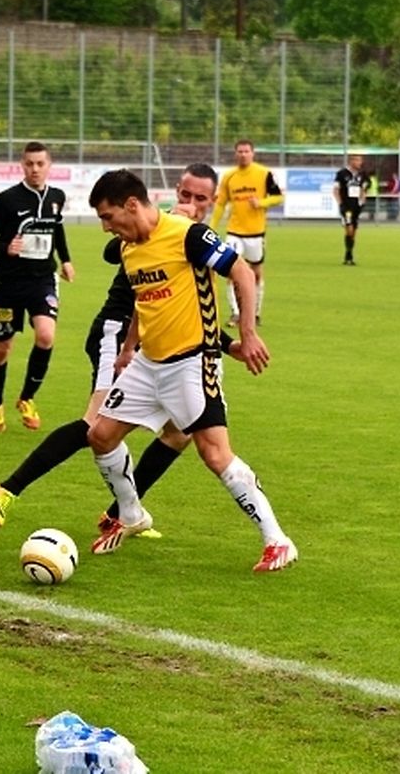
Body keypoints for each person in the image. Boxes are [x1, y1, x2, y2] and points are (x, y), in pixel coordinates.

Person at [0, 164, 245, 534]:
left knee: (179, 434)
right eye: (185, 194)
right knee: (95, 424)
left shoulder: (196, 238)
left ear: (213, 201)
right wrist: (169, 215)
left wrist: (230, 345)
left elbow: (189, 312)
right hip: (117, 331)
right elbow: (110, 252)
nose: (191, 202)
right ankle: (6, 490)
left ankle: (120, 514)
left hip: (159, 345)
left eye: (200, 198)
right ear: (175, 191)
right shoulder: (148, 224)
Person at [87, 169, 297, 572]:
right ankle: (130, 515)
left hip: (192, 362)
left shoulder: (188, 236)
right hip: (148, 363)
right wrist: (128, 349)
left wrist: (247, 334)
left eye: (108, 216)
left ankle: (278, 540)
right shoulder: (129, 249)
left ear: (131, 204)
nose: (106, 227)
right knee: (101, 435)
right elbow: (144, 302)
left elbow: (242, 272)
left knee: (214, 453)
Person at [0, 141, 74, 433]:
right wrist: (6, 247)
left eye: (40, 164)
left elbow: (57, 230)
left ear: (49, 165)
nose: (35, 169)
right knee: (2, 348)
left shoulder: (57, 197)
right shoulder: (6, 200)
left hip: (42, 280)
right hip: (8, 284)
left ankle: (27, 398)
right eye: (29, 164)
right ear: (22, 165)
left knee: (45, 336)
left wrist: (66, 260)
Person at [209, 140, 282, 327]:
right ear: (235, 154)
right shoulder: (229, 177)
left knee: (255, 273)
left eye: (246, 151)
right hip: (234, 232)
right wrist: (212, 226)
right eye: (240, 151)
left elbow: (279, 197)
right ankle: (236, 313)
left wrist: (262, 203)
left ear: (252, 153)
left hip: (256, 233)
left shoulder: (264, 174)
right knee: (231, 272)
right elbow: (220, 204)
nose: (243, 154)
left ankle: (255, 313)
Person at [333, 153, 366, 265]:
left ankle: (349, 254)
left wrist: (362, 201)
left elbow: (363, 189)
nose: (360, 162)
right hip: (346, 207)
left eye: (360, 160)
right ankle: (349, 255)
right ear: (351, 161)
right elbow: (336, 190)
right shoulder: (341, 174)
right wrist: (340, 204)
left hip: (356, 206)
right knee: (349, 229)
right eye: (357, 160)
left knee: (354, 232)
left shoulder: (361, 175)